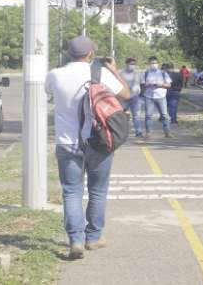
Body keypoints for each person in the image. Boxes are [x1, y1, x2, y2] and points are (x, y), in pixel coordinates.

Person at [45, 36, 130, 260]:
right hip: (98, 142)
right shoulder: (99, 74)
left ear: (69, 53)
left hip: (67, 143)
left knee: (71, 191)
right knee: (97, 190)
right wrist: (114, 70)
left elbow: (49, 94)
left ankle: (75, 241)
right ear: (91, 54)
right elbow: (126, 95)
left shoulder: (55, 75)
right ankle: (93, 238)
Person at [141, 56, 172, 138]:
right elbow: (142, 85)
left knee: (165, 115)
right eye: (152, 63)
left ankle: (167, 132)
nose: (153, 64)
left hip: (161, 96)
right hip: (149, 97)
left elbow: (169, 85)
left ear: (158, 64)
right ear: (149, 64)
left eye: (155, 63)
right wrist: (146, 85)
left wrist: (161, 85)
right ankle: (148, 132)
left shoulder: (163, 73)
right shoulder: (146, 73)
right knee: (148, 115)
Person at [120, 57, 143, 138]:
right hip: (124, 97)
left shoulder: (137, 74)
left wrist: (141, 95)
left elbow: (140, 84)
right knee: (120, 114)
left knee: (136, 115)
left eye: (134, 64)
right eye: (131, 64)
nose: (132, 66)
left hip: (135, 97)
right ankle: (120, 131)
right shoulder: (121, 73)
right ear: (126, 64)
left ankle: (138, 132)